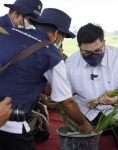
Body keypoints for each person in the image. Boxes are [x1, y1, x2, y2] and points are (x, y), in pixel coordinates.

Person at [0, 8, 93, 150]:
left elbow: (22, 74)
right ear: (57, 34)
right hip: (9, 116)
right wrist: (83, 124)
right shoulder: (51, 55)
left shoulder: (9, 33)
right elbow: (66, 102)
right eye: (62, 37)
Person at [65, 23, 118, 150]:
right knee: (77, 142)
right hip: (87, 111)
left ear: (104, 42)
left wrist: (116, 99)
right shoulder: (70, 63)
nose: (93, 55)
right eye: (87, 53)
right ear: (79, 47)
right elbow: (67, 96)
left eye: (98, 51)